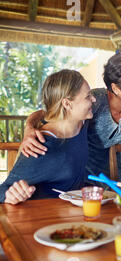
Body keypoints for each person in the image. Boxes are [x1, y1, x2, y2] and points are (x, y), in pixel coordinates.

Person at [19, 52, 121, 182]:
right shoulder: (92, 101)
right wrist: (29, 128)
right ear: (116, 89)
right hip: (79, 182)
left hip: (117, 184)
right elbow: (49, 112)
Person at [0, 70, 95, 204]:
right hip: (43, 216)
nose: (94, 99)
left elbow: (44, 112)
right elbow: (3, 190)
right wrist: (9, 195)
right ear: (67, 104)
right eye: (88, 97)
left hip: (73, 213)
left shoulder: (82, 123)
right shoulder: (41, 146)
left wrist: (29, 125)